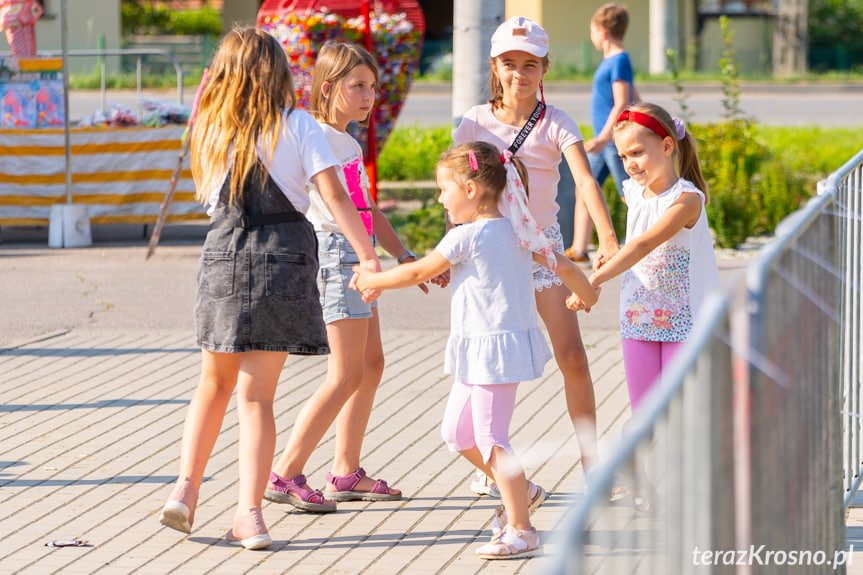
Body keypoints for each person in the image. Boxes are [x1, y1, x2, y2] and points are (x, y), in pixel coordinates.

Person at [158, 28, 380, 549]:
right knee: (257, 397)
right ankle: (250, 515)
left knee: (213, 384)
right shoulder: (300, 124)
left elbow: (209, 200)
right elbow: (336, 197)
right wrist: (368, 255)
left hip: (223, 252)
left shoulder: (211, 127)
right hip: (285, 253)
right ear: (279, 73)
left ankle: (185, 493)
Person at [352, 141, 600, 560]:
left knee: (489, 437)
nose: (439, 198)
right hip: (480, 350)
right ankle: (520, 489)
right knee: (456, 433)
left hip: (495, 352)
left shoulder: (469, 237)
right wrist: (586, 297)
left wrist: (373, 281)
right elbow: (568, 268)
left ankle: (521, 528)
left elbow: (418, 271)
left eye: (443, 189)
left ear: (470, 190)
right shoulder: (519, 232)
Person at [452, 15, 619, 497]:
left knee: (573, 356)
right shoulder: (474, 122)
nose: (518, 75)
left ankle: (594, 467)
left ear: (544, 69)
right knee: (484, 363)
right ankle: (491, 460)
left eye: (530, 65)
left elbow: (585, 182)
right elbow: (458, 189)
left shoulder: (557, 123)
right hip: (489, 250)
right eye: (509, 64)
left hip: (543, 249)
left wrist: (607, 241)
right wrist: (452, 252)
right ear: (494, 66)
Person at [264, 42, 416, 511]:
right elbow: (338, 206)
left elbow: (366, 210)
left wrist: (404, 255)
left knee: (371, 365)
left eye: (373, 87)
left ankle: (345, 472)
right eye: (358, 86)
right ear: (327, 88)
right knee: (345, 373)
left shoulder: (346, 141)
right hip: (339, 256)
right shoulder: (316, 135)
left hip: (358, 254)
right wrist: (371, 259)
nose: (370, 96)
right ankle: (285, 472)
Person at [568, 103, 720, 412]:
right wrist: (607, 245)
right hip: (638, 320)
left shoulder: (687, 201)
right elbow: (590, 191)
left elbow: (642, 245)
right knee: (644, 414)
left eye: (637, 153)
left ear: (667, 145)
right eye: (623, 156)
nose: (629, 164)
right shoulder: (634, 192)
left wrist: (594, 280)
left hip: (685, 323)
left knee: (682, 414)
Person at [566, 2, 636, 265]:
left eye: (593, 30)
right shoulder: (613, 61)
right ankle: (579, 249)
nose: (591, 36)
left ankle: (655, 238)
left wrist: (605, 137)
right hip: (604, 143)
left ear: (603, 31)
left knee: (630, 192)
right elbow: (634, 95)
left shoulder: (619, 60)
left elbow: (622, 102)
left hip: (611, 141)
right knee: (585, 188)